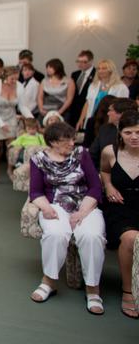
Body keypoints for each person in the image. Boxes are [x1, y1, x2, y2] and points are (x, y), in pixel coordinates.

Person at [28, 122, 105, 315]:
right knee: (55, 234)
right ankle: (49, 281)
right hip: (55, 204)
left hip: (84, 204)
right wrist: (46, 208)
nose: (72, 143)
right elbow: (35, 191)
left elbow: (95, 186)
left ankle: (93, 289)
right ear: (53, 142)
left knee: (92, 236)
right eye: (66, 140)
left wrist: (82, 211)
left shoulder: (81, 154)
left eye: (73, 139)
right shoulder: (38, 159)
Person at [99, 110, 139, 318]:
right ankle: (128, 291)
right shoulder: (110, 151)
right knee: (131, 238)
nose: (134, 137)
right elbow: (104, 171)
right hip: (119, 206)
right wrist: (108, 186)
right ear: (120, 133)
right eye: (128, 132)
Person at [0, 66, 34, 184]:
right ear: (5, 77)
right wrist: (1, 123)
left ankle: (9, 170)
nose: (14, 81)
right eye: (12, 79)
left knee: (11, 145)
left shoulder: (19, 86)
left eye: (16, 79)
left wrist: (31, 118)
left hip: (10, 117)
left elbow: (22, 106)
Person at [76, 59, 130, 131]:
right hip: (92, 119)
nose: (100, 71)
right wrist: (81, 118)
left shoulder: (121, 87)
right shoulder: (93, 85)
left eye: (104, 68)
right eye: (99, 68)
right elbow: (88, 103)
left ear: (111, 70)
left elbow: (123, 107)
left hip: (109, 120)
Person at [89, 98, 138, 168]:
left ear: (121, 114)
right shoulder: (105, 129)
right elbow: (92, 155)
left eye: (111, 110)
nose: (108, 113)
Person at [69, 50, 97, 127]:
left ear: (91, 61)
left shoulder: (96, 74)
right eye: (78, 61)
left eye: (84, 62)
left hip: (88, 108)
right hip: (74, 110)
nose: (80, 64)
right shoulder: (75, 74)